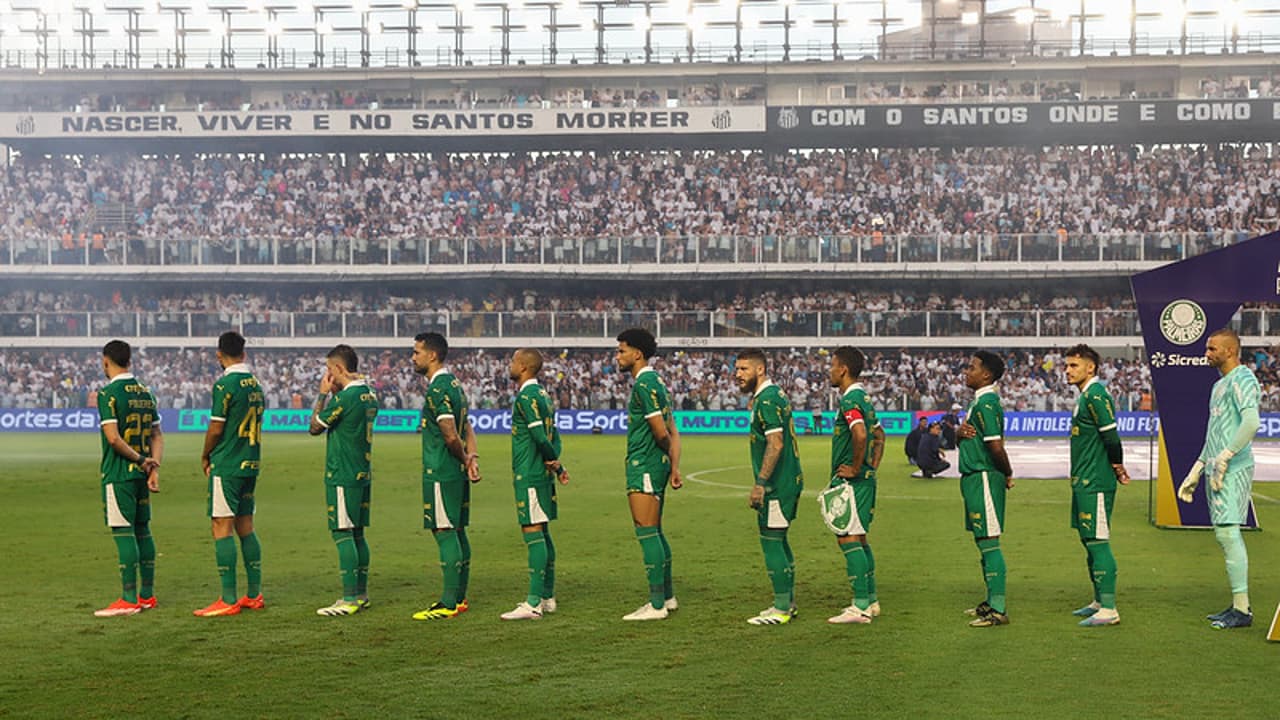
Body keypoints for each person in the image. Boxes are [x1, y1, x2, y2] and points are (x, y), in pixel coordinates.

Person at [1178, 328, 1261, 630]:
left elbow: (1252, 422)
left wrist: (1226, 456)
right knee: (1223, 533)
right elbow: (1215, 433)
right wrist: (1197, 469)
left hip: (1234, 467)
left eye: (1212, 349)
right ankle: (1238, 605)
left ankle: (1243, 609)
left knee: (1228, 532)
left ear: (1229, 351)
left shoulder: (1244, 379)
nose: (1207, 354)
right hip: (1216, 468)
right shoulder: (1219, 386)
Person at [194, 331, 266, 618]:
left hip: (228, 464)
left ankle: (228, 599)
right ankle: (254, 594)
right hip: (251, 462)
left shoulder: (225, 385)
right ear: (244, 354)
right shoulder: (256, 385)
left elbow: (215, 427)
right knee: (245, 525)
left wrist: (205, 454)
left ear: (218, 355)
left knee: (220, 526)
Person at [410, 332, 482, 620]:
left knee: (444, 531)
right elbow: (468, 428)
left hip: (440, 470)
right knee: (458, 530)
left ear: (432, 355)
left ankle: (448, 602)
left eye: (416, 352)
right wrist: (471, 458)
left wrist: (464, 457)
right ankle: (460, 598)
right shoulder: (455, 384)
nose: (413, 357)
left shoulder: (438, 388)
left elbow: (451, 434)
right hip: (456, 472)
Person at [94, 340, 164, 617]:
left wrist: (138, 459)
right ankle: (146, 595)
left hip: (120, 472)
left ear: (106, 361)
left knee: (123, 532)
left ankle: (128, 598)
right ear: (130, 361)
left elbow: (113, 438)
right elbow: (157, 435)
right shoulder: (147, 393)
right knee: (143, 530)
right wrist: (152, 468)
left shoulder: (108, 393)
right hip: (142, 475)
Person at [616, 328, 682, 621]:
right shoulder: (657, 382)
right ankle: (667, 598)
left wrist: (662, 455)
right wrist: (673, 464)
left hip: (644, 464)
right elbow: (673, 429)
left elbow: (661, 431)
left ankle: (656, 605)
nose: (618, 356)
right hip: (657, 464)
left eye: (621, 351)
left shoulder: (644, 383)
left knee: (646, 530)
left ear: (637, 353)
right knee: (655, 529)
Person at [308, 344, 379, 617]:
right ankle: (360, 595)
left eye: (329, 369)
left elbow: (314, 427)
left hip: (342, 473)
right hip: (362, 471)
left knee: (342, 533)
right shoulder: (369, 394)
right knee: (358, 533)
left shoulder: (344, 399)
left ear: (338, 368)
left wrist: (322, 395)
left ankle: (349, 598)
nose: (327, 375)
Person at [500, 348, 570, 621]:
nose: (510, 365)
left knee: (532, 533)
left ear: (524, 366)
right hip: (541, 472)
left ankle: (532, 603)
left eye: (513, 360)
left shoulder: (527, 396)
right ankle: (547, 596)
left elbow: (541, 437)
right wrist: (555, 463)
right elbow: (556, 436)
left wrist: (558, 463)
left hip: (529, 472)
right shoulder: (542, 394)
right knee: (543, 532)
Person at [735, 348, 804, 626]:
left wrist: (761, 484)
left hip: (777, 485)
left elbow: (776, 444)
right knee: (779, 540)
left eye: (743, 369)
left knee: (771, 541)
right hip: (788, 480)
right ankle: (787, 602)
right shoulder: (773, 395)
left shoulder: (766, 399)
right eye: (737, 369)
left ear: (760, 370)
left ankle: (781, 608)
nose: (737, 375)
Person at [1063, 343, 1129, 627]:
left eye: (1073, 365)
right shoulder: (1085, 395)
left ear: (1090, 368)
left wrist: (1117, 465)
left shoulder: (1097, 394)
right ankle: (1099, 600)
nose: (1067, 370)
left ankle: (1110, 609)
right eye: (1066, 365)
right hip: (1083, 480)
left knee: (1097, 540)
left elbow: (1111, 437)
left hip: (1096, 481)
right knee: (1087, 539)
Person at [822, 346, 885, 624]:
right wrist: (872, 467)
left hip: (853, 482)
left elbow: (860, 435)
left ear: (843, 369)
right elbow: (880, 436)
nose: (830, 371)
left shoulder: (850, 400)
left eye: (832, 365)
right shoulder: (865, 398)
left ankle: (859, 605)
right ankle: (870, 601)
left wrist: (857, 468)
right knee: (859, 538)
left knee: (847, 536)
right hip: (866, 481)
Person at [955, 351, 1015, 628]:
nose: (967, 371)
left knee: (989, 541)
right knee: (983, 540)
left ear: (986, 375)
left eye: (972, 367)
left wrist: (1007, 472)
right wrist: (958, 434)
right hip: (973, 477)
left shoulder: (988, 402)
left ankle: (998, 609)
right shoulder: (979, 402)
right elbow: (975, 439)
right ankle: (991, 601)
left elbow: (995, 446)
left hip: (983, 478)